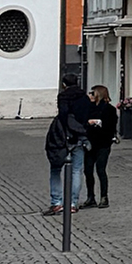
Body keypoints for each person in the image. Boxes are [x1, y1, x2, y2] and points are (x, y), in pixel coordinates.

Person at [43, 78, 89, 215]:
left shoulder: (63, 97)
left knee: (56, 169)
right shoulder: (84, 97)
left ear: (64, 84)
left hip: (63, 137)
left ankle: (57, 202)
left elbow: (63, 116)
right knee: (76, 170)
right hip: (80, 135)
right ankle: (73, 203)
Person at [83, 84, 117, 207]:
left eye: (92, 93)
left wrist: (97, 124)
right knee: (88, 170)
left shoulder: (109, 109)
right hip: (90, 143)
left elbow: (110, 127)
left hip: (103, 143)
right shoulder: (88, 108)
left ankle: (104, 197)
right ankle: (90, 197)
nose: (90, 95)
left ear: (99, 94)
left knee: (100, 169)